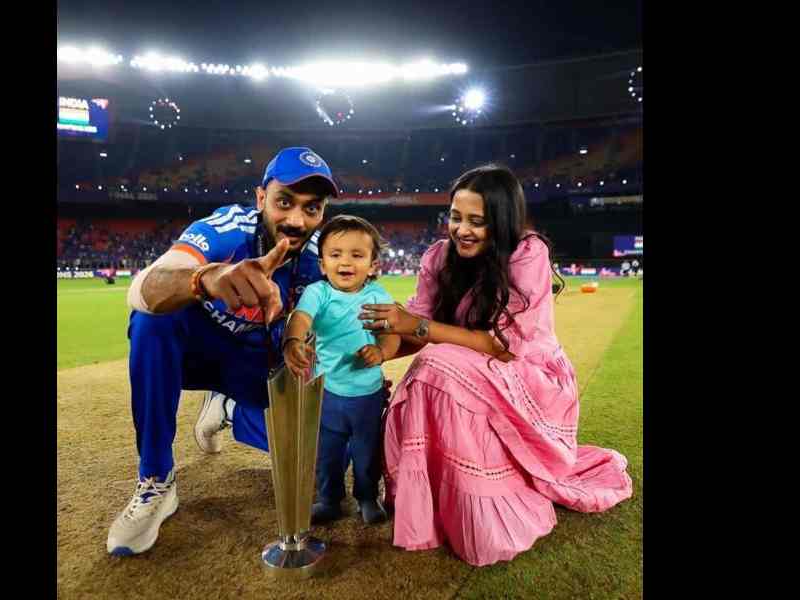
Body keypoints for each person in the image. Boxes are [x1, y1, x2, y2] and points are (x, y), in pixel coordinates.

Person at [359, 164, 632, 567]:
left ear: (501, 221)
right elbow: (416, 331)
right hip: (469, 365)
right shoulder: (438, 257)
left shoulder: (526, 254)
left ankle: (476, 510)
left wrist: (414, 325)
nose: (462, 230)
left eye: (477, 221)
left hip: (532, 376)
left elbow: (503, 347)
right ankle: (429, 503)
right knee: (429, 367)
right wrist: (379, 353)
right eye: (455, 217)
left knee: (435, 365)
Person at [106, 147, 338, 556]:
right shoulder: (228, 228)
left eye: (312, 208)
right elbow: (142, 289)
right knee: (152, 319)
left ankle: (228, 409)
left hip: (255, 365)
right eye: (285, 202)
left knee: (322, 460)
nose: (296, 220)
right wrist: (207, 278)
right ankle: (157, 478)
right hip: (197, 351)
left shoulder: (322, 257)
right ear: (261, 197)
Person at [282, 215, 400, 526]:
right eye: (336, 255)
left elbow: (391, 333)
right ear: (322, 264)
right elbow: (301, 318)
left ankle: (366, 496)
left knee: (367, 451)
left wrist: (382, 351)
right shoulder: (318, 293)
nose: (345, 262)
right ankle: (329, 498)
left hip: (367, 394)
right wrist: (293, 340)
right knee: (327, 453)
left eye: (357, 255)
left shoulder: (377, 297)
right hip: (327, 391)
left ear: (373, 265)